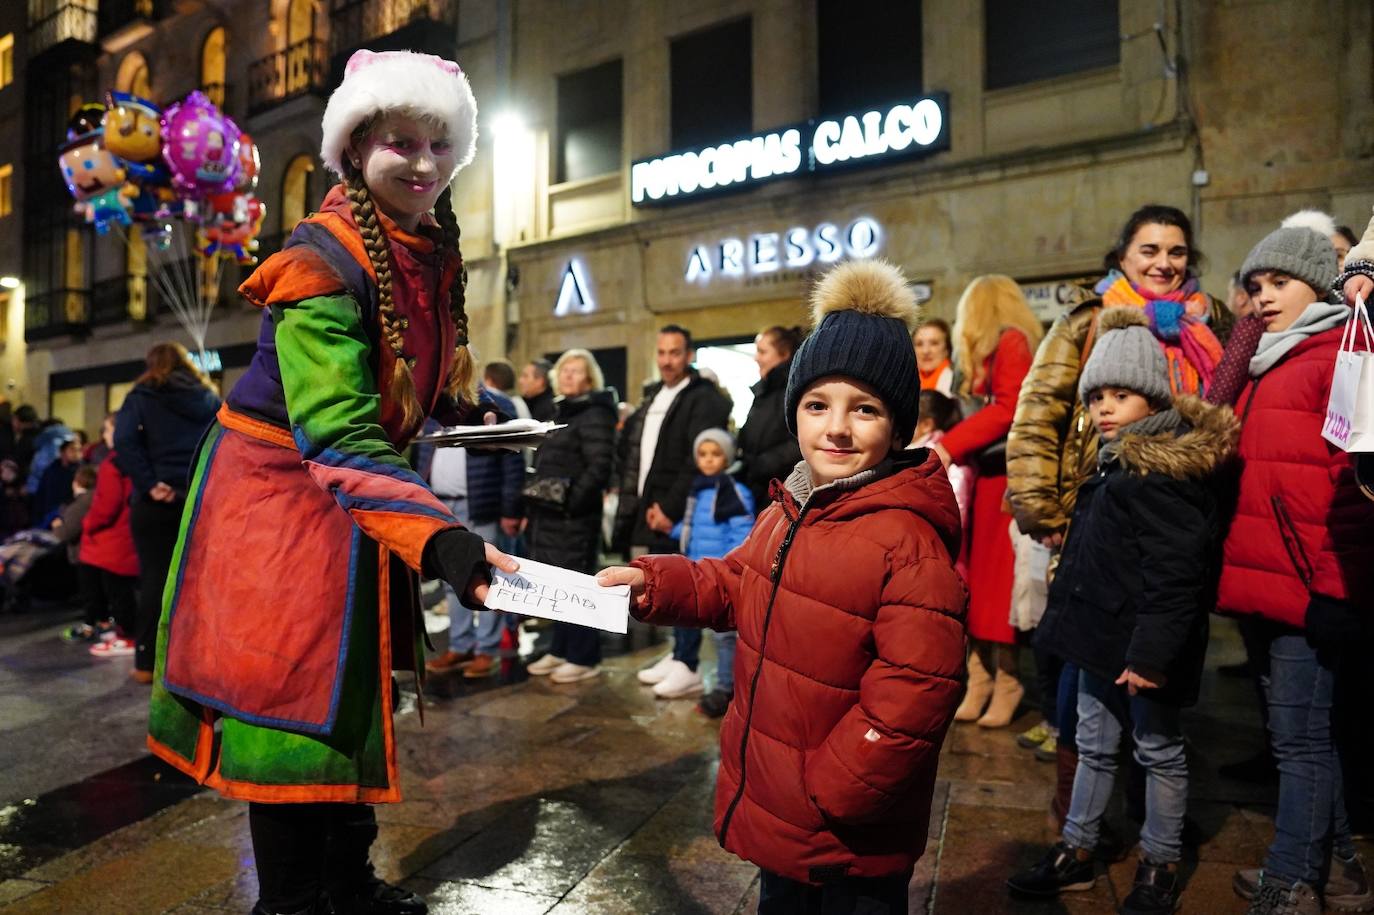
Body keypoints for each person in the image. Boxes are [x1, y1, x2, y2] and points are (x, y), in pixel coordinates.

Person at [146, 50, 516, 915]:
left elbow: (408, 378)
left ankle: (344, 882)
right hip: (279, 508)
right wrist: (446, 539)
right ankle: (288, 902)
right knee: (290, 711)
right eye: (399, 142)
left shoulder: (425, 246)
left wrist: (472, 407)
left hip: (354, 505)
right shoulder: (319, 264)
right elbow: (339, 430)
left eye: (436, 143)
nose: (420, 161)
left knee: (359, 692)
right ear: (353, 148)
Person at [598, 259, 965, 915]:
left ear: (898, 423)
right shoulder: (791, 505)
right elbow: (734, 580)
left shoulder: (908, 539)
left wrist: (833, 787)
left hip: (848, 825)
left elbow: (916, 691)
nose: (837, 428)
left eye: (866, 408)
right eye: (818, 404)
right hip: (785, 806)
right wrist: (655, 579)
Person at [1007, 308, 1238, 915]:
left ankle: (1160, 861)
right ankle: (1078, 848)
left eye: (1121, 394)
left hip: (1142, 646)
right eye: (1097, 396)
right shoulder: (1110, 462)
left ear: (1153, 397)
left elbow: (1176, 577)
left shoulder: (1164, 472)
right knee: (1092, 739)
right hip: (1095, 638)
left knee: (1157, 748)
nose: (1104, 407)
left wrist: (1150, 654)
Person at [1005, 204, 1228, 822]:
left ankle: (1145, 816)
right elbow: (1037, 413)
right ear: (1123, 257)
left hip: (1176, 512)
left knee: (1158, 667)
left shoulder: (1212, 323)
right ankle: (1082, 827)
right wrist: (1039, 506)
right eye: (1149, 250)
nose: (1163, 263)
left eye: (1176, 251)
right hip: (1093, 514)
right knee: (1083, 676)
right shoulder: (1086, 321)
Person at [1213, 225, 1374, 915]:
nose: (1263, 296)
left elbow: (1357, 482)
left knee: (1300, 743)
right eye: (1254, 285)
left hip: (1309, 590)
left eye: (1279, 282)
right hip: (1266, 583)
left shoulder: (1341, 353)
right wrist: (1236, 353)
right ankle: (1338, 872)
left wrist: (1341, 591)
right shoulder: (1266, 359)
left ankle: (1290, 880)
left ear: (1321, 283)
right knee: (1307, 735)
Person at [933, 276, 1041, 730]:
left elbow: (1008, 408)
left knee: (996, 586)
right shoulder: (1002, 346)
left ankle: (1007, 680)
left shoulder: (1010, 342)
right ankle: (980, 679)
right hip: (987, 475)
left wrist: (947, 446)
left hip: (1002, 478)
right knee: (978, 582)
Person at [617, 325, 731, 698]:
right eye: (662, 352)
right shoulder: (656, 396)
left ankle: (689, 664)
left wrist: (670, 508)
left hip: (680, 509)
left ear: (690, 354)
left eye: (675, 353)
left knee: (685, 584)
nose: (667, 360)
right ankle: (678, 653)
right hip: (652, 505)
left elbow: (696, 458)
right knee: (665, 582)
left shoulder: (703, 398)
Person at [114, 343, 220, 685]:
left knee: (155, 579)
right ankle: (197, 662)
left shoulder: (142, 396)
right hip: (198, 498)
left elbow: (124, 441)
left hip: (156, 502)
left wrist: (149, 483)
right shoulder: (207, 397)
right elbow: (221, 441)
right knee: (199, 582)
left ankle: (147, 663)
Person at [524, 348, 617, 683]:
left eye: (576, 371)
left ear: (590, 378)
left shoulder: (594, 413)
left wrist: (572, 502)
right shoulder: (561, 411)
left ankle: (583, 655)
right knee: (555, 584)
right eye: (564, 370)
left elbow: (600, 466)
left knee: (577, 585)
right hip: (551, 514)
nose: (568, 376)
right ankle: (560, 648)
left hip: (573, 516)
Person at [421, 384, 524, 680]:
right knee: (452, 578)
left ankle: (487, 649)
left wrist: (510, 509)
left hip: (482, 503)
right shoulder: (433, 405)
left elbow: (512, 460)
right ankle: (460, 645)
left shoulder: (497, 406)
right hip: (442, 504)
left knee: (489, 578)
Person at [667, 428, 755, 717]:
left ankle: (725, 686)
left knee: (724, 637)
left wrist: (729, 568)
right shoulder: (699, 490)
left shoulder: (734, 492)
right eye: (702, 454)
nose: (708, 460)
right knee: (693, 625)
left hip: (719, 574)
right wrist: (673, 530)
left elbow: (742, 534)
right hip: (696, 570)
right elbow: (695, 530)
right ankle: (686, 666)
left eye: (715, 454)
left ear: (727, 458)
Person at [81, 414, 139, 659]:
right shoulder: (139, 457)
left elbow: (106, 505)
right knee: (126, 590)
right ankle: (127, 634)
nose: (103, 436)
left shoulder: (113, 463)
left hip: (114, 538)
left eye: (106, 430)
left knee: (117, 591)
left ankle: (127, 637)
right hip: (131, 533)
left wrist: (88, 523)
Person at [737, 325, 804, 509]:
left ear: (783, 354)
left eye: (762, 351)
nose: (756, 357)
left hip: (783, 491)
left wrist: (762, 465)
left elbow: (800, 440)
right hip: (760, 490)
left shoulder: (793, 390)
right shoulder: (765, 391)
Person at [53, 464, 99, 641]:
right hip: (94, 552)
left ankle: (90, 625)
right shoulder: (94, 498)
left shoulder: (81, 503)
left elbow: (66, 532)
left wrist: (57, 527)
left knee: (90, 592)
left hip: (85, 553)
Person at [32, 433, 81, 527]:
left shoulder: (81, 471)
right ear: (62, 452)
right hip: (49, 518)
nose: (77, 453)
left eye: (79, 450)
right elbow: (42, 498)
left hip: (69, 518)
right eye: (72, 449)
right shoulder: (51, 471)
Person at [914, 317, 955, 395]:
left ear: (947, 349)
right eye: (919, 344)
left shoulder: (956, 385)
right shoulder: (904, 384)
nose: (925, 351)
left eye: (934, 343)